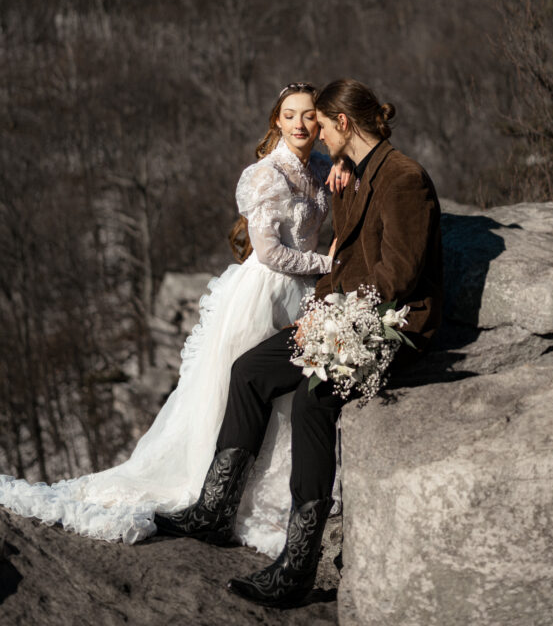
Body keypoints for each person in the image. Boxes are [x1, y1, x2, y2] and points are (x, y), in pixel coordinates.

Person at [0, 83, 347, 557]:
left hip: (305, 294)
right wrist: (329, 266)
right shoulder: (264, 176)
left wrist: (345, 173)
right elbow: (267, 251)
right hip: (265, 291)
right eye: (291, 115)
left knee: (288, 400)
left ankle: (267, 494)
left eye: (310, 116)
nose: (302, 125)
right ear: (277, 121)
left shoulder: (326, 167)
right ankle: (218, 497)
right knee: (237, 391)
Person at [158, 78, 443, 609]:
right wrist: (323, 309)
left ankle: (297, 566)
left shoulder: (403, 178)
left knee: (313, 398)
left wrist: (339, 315)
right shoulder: (350, 174)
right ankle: (215, 511)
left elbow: (399, 275)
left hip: (391, 324)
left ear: (342, 124)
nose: (311, 130)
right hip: (344, 314)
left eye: (319, 121)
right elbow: (343, 258)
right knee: (249, 370)